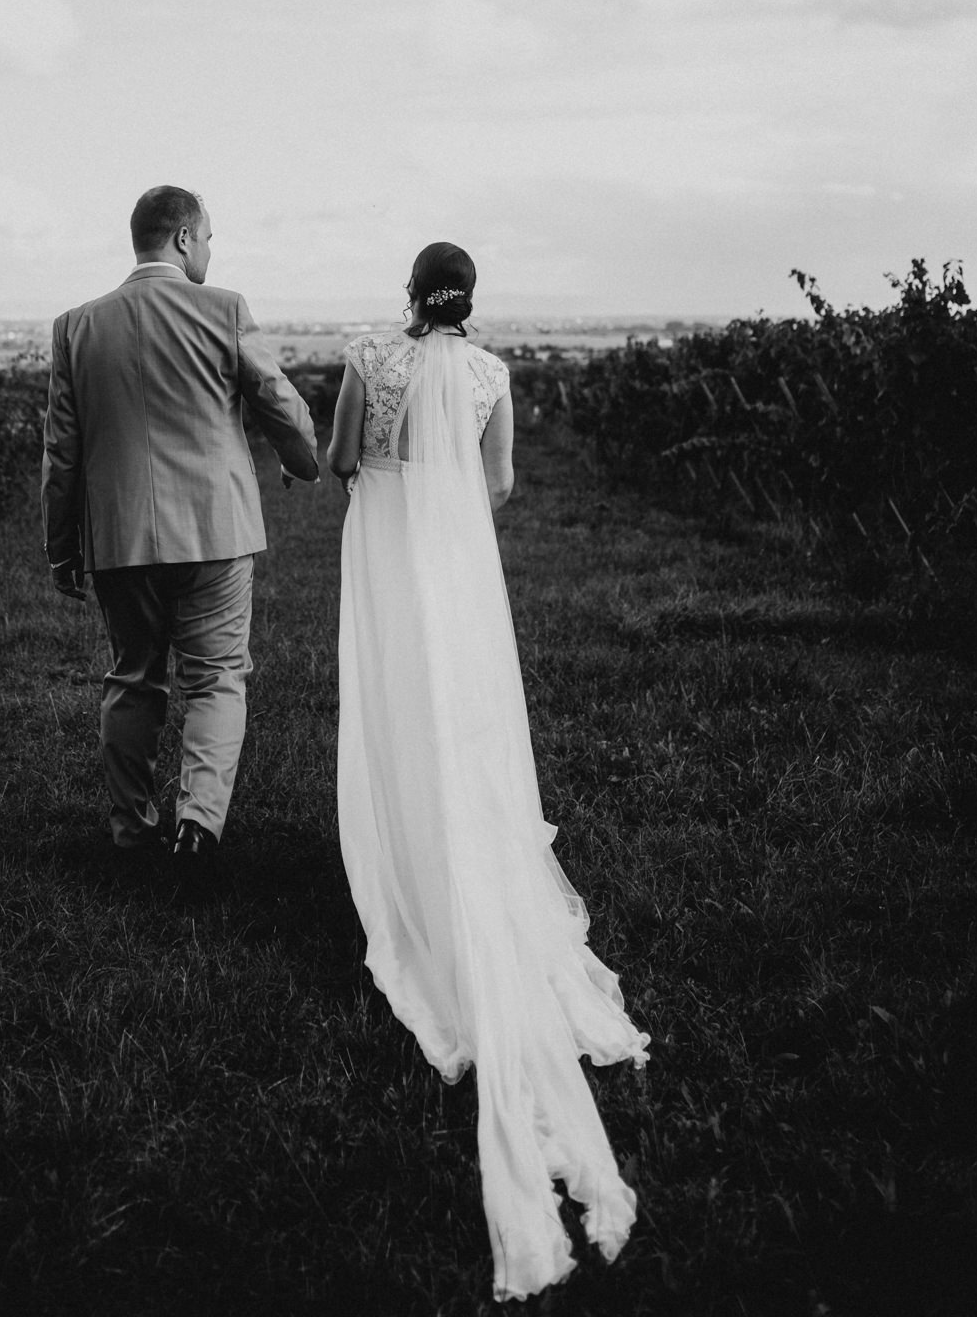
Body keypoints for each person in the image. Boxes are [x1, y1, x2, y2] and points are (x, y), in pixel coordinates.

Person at [327, 241, 649, 1301]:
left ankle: (407, 859)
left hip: (381, 546)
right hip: (451, 558)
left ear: (407, 293)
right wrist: (449, 508)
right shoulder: (489, 374)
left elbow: (338, 458)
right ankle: (462, 850)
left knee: (398, 702)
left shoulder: (368, 357)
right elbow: (499, 481)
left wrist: (389, 489)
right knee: (460, 715)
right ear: (470, 300)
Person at [41, 186, 319, 874]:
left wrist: (61, 546)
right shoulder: (224, 309)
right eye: (209, 238)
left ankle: (132, 834)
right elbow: (277, 401)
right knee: (217, 677)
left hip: (119, 535)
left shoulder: (75, 326)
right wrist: (302, 462)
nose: (211, 251)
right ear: (185, 238)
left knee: (133, 677)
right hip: (216, 529)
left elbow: (61, 451)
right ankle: (197, 827)